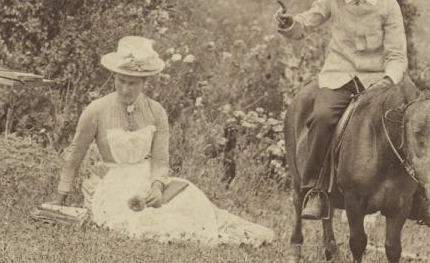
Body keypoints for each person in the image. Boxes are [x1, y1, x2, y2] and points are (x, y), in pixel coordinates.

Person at [275, 0, 430, 228]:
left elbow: (396, 54)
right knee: (320, 117)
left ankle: (420, 200)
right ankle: (316, 190)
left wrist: (389, 79)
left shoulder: (388, 5)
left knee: (418, 118)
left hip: (380, 80)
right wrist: (289, 23)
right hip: (339, 76)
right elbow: (308, 21)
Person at [54, 37, 273, 246]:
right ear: (113, 77)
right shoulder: (97, 110)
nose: (125, 89)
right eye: (121, 81)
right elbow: (75, 154)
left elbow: (160, 161)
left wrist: (157, 187)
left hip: (146, 177)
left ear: (144, 82)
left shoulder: (156, 111)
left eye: (132, 83)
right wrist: (60, 198)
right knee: (138, 220)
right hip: (111, 182)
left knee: (192, 201)